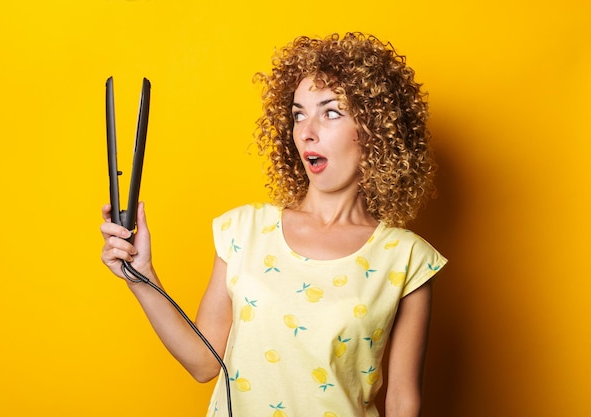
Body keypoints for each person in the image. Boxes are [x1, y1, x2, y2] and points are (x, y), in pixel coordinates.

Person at [101, 32, 447, 417]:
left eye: (331, 112)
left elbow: (402, 401)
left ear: (374, 130)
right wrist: (141, 276)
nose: (307, 130)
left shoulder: (406, 259)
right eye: (299, 113)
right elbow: (203, 363)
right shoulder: (244, 231)